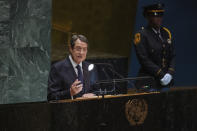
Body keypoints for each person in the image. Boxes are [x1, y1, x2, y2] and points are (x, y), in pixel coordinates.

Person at [133, 3, 175, 92]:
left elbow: (172, 55)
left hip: (165, 81)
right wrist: (161, 74)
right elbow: (144, 60)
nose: (159, 18)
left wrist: (170, 73)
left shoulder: (166, 33)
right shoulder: (142, 35)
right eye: (155, 16)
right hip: (149, 81)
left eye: (160, 15)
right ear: (148, 17)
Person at [48, 34, 97, 100]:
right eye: (78, 49)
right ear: (71, 49)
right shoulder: (58, 68)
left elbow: (97, 90)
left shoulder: (89, 67)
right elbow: (51, 96)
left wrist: (93, 94)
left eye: (84, 49)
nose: (81, 52)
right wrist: (70, 92)